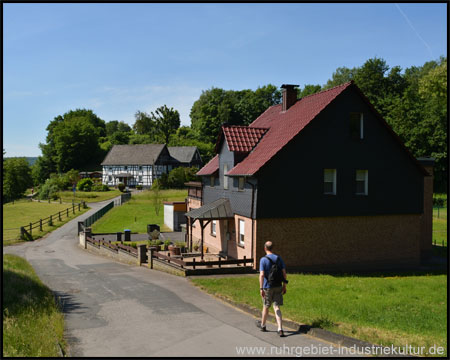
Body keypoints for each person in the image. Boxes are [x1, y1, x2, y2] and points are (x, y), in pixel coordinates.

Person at [256, 241, 288, 337]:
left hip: (267, 286)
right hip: (278, 285)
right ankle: (280, 329)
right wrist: (284, 286)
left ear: (265, 248)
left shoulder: (263, 260)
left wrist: (261, 288)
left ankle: (263, 325)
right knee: (276, 307)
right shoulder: (279, 258)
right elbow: (284, 274)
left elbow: (262, 274)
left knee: (266, 306)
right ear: (272, 248)